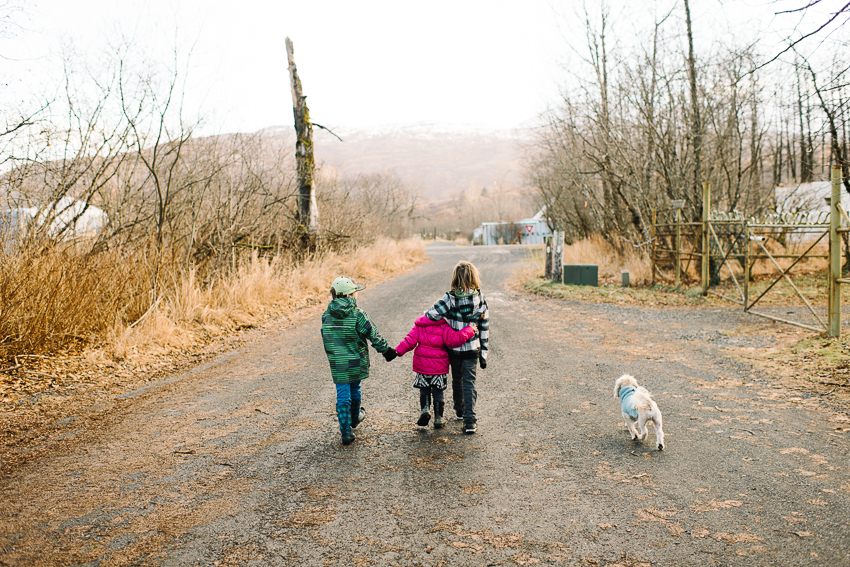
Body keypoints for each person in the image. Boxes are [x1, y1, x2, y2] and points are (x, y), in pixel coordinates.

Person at [321, 276, 397, 445]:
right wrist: (387, 351)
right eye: (355, 293)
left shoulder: (326, 316)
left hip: (338, 363)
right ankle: (354, 418)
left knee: (342, 395)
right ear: (349, 296)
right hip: (355, 361)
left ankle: (346, 432)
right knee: (355, 389)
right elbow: (373, 335)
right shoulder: (358, 314)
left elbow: (326, 337)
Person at [424, 261, 489, 434]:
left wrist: (445, 324)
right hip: (471, 349)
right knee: (470, 383)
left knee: (457, 380)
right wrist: (483, 354)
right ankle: (470, 422)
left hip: (453, 348)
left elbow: (429, 314)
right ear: (474, 277)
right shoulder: (480, 299)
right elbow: (484, 328)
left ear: (455, 278)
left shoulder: (449, 299)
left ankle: (459, 410)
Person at [393, 313, 477, 429]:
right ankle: (439, 418)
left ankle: (425, 409)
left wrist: (397, 352)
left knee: (424, 389)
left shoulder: (420, 325)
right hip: (439, 368)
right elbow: (454, 340)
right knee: (438, 392)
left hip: (422, 367)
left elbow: (409, 341)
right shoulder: (444, 326)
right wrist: (470, 330)